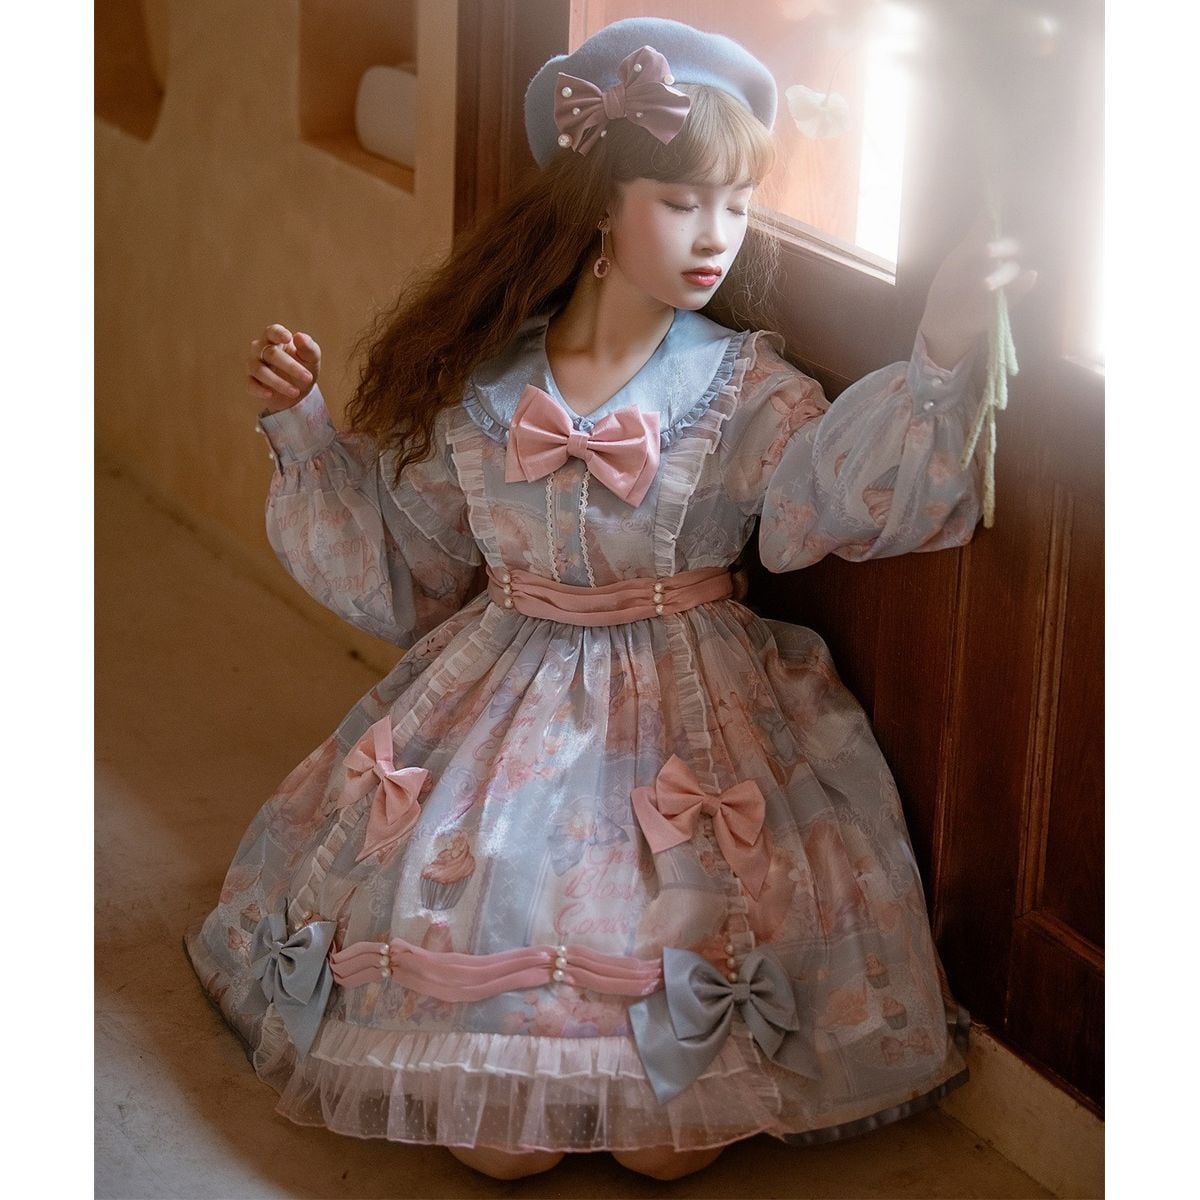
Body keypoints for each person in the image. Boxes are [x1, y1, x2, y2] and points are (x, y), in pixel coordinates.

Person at [185, 16, 1035, 1184]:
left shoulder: (741, 386)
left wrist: (940, 349)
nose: (716, 236)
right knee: (500, 1146)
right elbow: (404, 566)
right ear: (598, 204)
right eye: (683, 202)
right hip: (505, 694)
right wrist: (305, 432)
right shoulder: (486, 385)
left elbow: (825, 495)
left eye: (737, 205)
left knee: (664, 1141)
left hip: (688, 705)